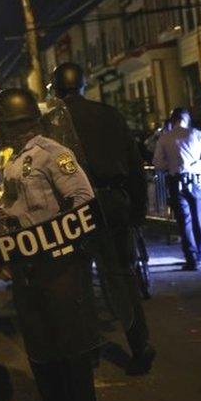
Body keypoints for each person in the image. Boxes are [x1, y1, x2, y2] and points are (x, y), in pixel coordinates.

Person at [0, 87, 100, 401]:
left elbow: (82, 200)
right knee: (40, 346)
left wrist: (53, 234)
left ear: (11, 123)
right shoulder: (11, 161)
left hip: (60, 265)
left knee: (72, 347)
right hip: (28, 268)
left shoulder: (54, 153)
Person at [53, 62, 155, 375]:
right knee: (120, 278)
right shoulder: (110, 115)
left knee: (77, 281)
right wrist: (138, 208)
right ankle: (140, 347)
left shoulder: (53, 123)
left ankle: (88, 350)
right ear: (83, 85)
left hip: (72, 209)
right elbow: (135, 166)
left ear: (56, 88)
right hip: (113, 202)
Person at [153, 107, 201, 270]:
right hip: (196, 180)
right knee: (198, 218)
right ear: (187, 119)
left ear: (172, 120)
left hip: (177, 181)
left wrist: (173, 165)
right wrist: (200, 165)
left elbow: (158, 163)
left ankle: (191, 258)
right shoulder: (197, 134)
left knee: (184, 221)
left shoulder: (165, 138)